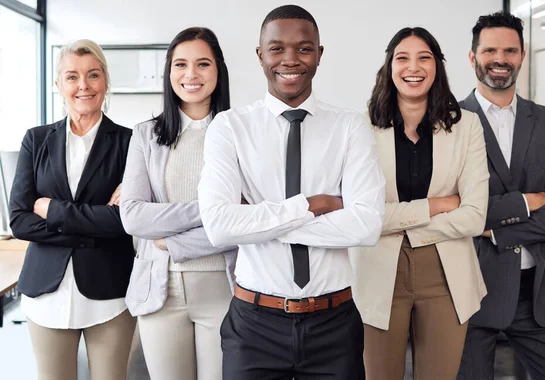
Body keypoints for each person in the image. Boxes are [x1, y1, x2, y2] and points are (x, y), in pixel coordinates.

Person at [197, 4, 386, 380]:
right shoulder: (229, 127)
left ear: (319, 54)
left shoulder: (350, 127)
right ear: (260, 54)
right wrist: (314, 206)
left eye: (304, 48)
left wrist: (257, 218)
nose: (290, 59)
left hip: (334, 324)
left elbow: (366, 226)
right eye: (277, 48)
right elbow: (218, 227)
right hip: (254, 325)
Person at [350, 27, 489, 380]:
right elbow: (360, 216)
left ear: (437, 66)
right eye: (403, 57)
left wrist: (395, 220)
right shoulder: (359, 127)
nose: (414, 67)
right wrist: (436, 205)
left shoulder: (468, 126)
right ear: (389, 66)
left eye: (424, 57)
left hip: (447, 273)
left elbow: (474, 216)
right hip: (378, 272)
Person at [457, 12, 545, 380]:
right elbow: (451, 212)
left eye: (510, 50)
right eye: (491, 50)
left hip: (541, 293)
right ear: (473, 57)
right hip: (469, 294)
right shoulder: (446, 123)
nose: (501, 59)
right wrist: (529, 202)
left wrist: (498, 231)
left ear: (522, 55)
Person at [9, 39, 135, 380]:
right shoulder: (35, 140)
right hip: (45, 292)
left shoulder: (130, 143)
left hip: (110, 291)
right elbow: (19, 221)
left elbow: (126, 221)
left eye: (93, 75)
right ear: (58, 84)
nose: (83, 85)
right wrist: (95, 222)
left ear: (105, 81)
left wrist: (52, 209)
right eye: (72, 76)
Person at [119, 27, 236, 380]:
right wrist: (213, 209)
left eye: (203, 64)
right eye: (180, 64)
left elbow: (248, 224)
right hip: (160, 290)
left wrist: (173, 241)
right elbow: (134, 217)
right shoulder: (145, 135)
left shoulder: (240, 133)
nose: (191, 75)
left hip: (225, 288)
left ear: (218, 71)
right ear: (169, 72)